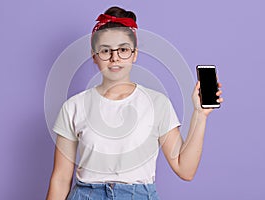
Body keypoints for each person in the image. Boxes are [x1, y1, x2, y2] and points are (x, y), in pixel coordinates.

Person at [46, 6, 223, 200]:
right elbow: (61, 178)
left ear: (134, 53)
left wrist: (200, 115)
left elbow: (185, 169)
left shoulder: (158, 103)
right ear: (94, 56)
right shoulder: (74, 106)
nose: (115, 58)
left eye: (123, 49)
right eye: (106, 50)